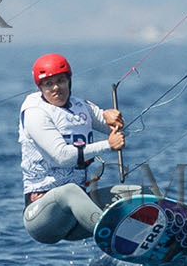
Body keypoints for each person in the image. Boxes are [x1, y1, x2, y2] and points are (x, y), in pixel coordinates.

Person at [19, 53, 125, 244]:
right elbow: (61, 156)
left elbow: (119, 130)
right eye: (48, 84)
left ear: (69, 81)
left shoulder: (81, 106)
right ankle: (118, 240)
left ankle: (166, 233)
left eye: (61, 81)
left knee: (136, 194)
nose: (56, 88)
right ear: (40, 87)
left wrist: (115, 119)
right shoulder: (34, 113)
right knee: (69, 191)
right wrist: (108, 145)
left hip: (77, 217)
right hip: (43, 218)